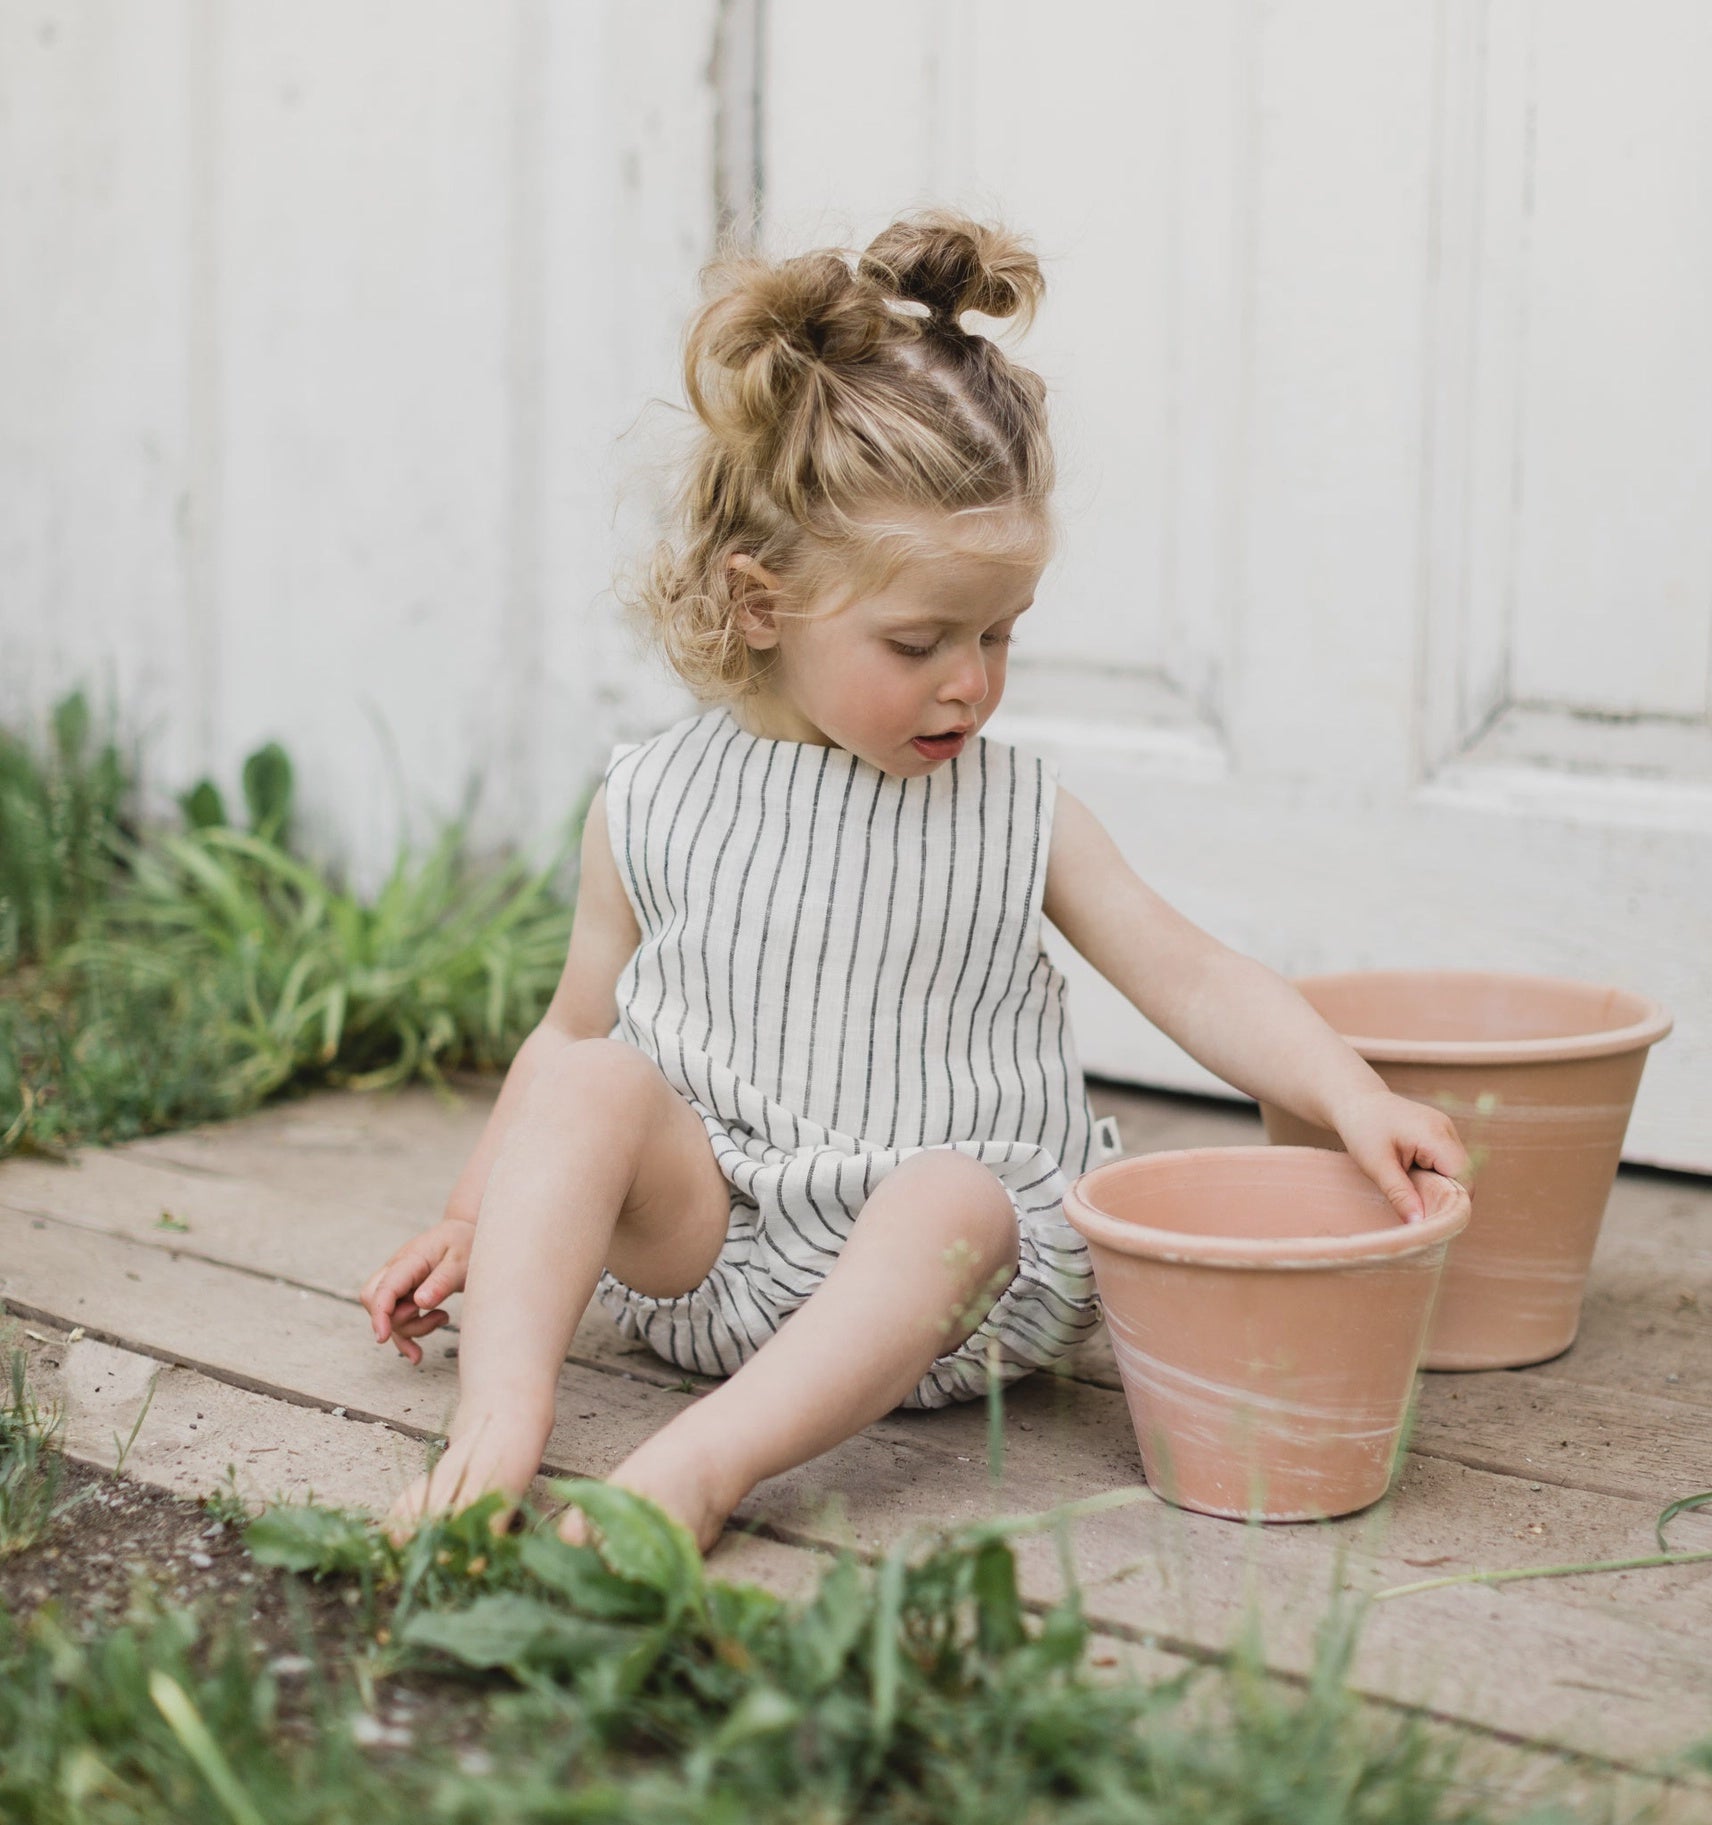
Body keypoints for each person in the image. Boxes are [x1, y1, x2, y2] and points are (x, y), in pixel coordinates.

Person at [360, 208, 1472, 1552]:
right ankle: (497, 1427)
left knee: (956, 1192)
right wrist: (475, 1213)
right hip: (713, 1254)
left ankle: (697, 1470)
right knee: (592, 1080)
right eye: (918, 639)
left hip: (951, 1290)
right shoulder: (647, 800)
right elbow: (568, 1035)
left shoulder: (1014, 810)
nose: (970, 680)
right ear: (759, 601)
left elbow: (1189, 972)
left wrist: (1348, 1093)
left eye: (1000, 632)